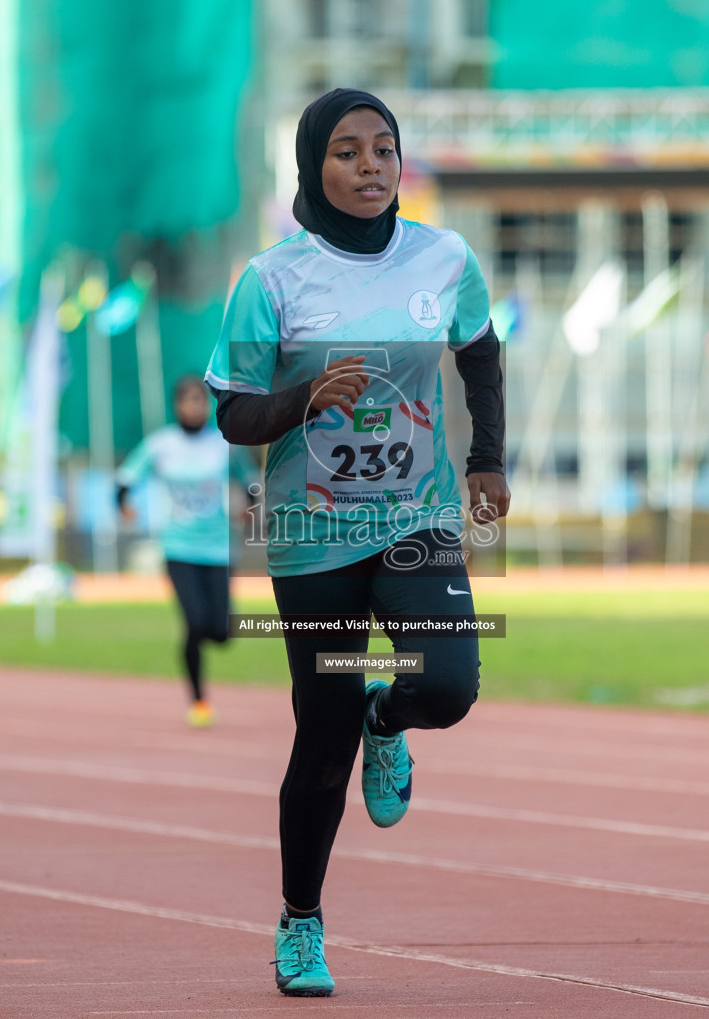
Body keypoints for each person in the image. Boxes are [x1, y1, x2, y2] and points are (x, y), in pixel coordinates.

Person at [205, 88, 509, 997]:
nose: (371, 166)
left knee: (449, 685)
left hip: (415, 519)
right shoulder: (271, 280)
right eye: (348, 151)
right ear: (314, 166)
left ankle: (393, 717)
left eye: (385, 149)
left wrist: (487, 460)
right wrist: (305, 399)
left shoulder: (444, 258)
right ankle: (301, 921)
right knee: (321, 734)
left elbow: (482, 357)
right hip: (312, 538)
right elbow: (232, 412)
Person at [117, 375, 254, 727]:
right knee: (195, 622)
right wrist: (124, 503)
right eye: (187, 400)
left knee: (222, 632)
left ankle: (203, 637)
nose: (194, 406)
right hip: (178, 546)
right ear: (177, 404)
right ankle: (199, 700)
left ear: (208, 405)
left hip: (218, 547)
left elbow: (247, 478)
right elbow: (125, 479)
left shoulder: (223, 443)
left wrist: (248, 506)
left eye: (200, 400)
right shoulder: (161, 444)